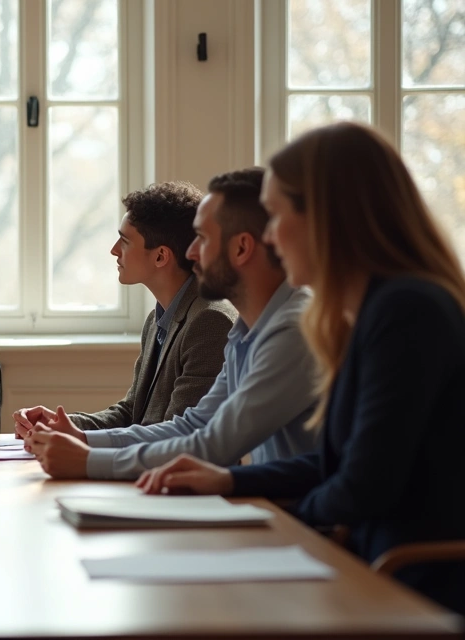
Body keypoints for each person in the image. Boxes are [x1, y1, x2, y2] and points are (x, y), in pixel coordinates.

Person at [138, 123, 465, 615]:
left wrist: (270, 523)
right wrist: (232, 483)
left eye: (276, 215)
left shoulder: (407, 311)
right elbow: (343, 464)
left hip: (404, 584)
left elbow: (363, 487)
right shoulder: (372, 310)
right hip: (364, 566)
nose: (268, 236)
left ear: (328, 218)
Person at [27, 168, 320, 479]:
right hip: (278, 508)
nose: (191, 253)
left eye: (203, 239)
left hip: (307, 521)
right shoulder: (247, 329)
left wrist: (88, 460)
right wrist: (83, 439)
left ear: (241, 248)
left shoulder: (290, 330)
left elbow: (215, 446)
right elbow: (195, 424)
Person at [14, 182, 235, 438]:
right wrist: (62, 425)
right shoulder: (158, 319)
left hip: (176, 475)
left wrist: (81, 441)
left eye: (125, 241)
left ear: (161, 256)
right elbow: (132, 412)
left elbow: (180, 437)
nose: (114, 250)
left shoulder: (210, 321)